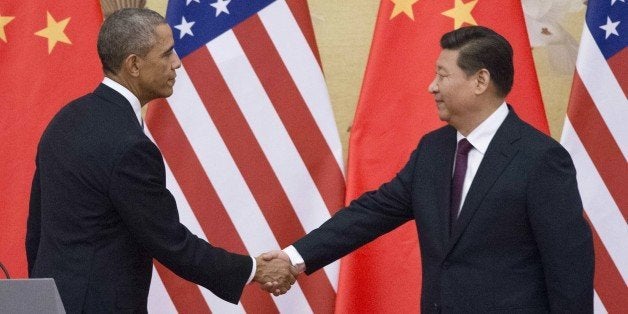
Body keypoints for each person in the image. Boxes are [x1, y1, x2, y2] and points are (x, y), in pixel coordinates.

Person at [265, 26, 594, 313]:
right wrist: (294, 257)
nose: (431, 87)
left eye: (443, 74)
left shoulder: (540, 159)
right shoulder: (433, 150)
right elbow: (372, 212)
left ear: (480, 80)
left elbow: (569, 269)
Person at [26, 8, 295, 313]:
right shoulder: (129, 146)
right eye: (166, 54)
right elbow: (170, 242)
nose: (177, 63)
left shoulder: (65, 119)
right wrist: (252, 270)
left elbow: (37, 229)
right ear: (134, 65)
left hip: (49, 302)